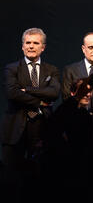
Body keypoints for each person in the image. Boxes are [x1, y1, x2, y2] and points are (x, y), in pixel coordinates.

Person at [1, 28, 60, 166]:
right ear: (22, 46)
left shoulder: (52, 70)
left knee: (39, 177)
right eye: (28, 43)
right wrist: (40, 102)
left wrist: (27, 89)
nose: (31, 46)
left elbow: (54, 93)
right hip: (15, 130)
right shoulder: (11, 68)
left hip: (42, 128)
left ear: (43, 47)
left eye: (35, 43)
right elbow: (13, 93)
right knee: (11, 176)